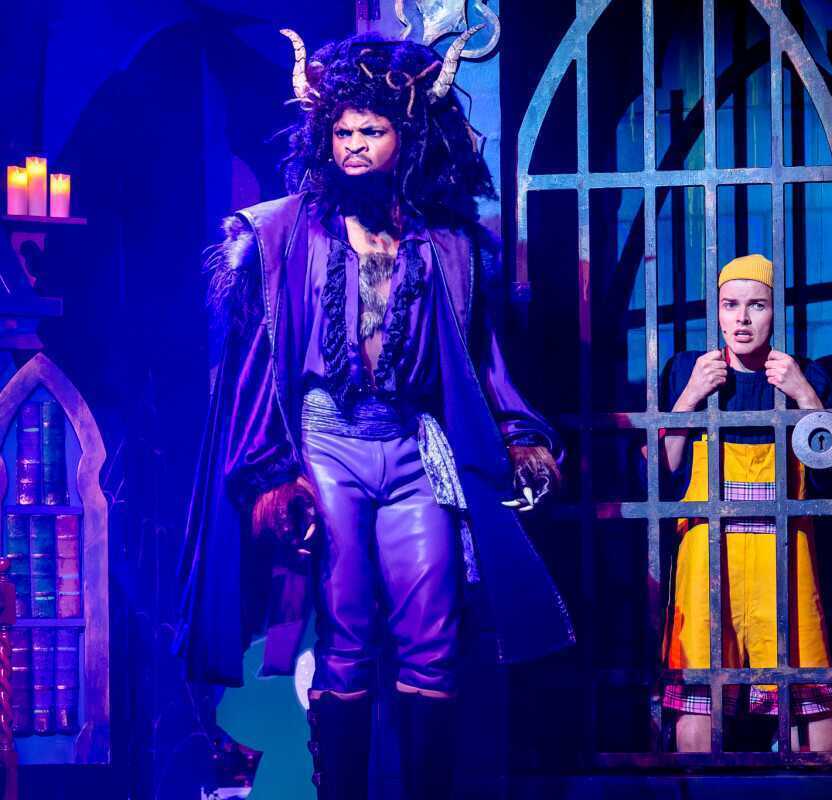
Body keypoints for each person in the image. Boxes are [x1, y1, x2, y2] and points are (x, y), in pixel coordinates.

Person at [174, 29, 573, 798]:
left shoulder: (451, 245)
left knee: (435, 633)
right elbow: (255, 368)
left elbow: (481, 362)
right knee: (347, 629)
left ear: (407, 136)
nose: (355, 144)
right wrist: (271, 475)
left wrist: (519, 438)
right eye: (344, 131)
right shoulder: (285, 233)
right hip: (327, 443)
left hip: (413, 445)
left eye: (373, 130)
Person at [659, 254, 832, 753]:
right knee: (699, 701)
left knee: (812, 706)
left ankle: (815, 789)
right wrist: (691, 396)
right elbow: (659, 473)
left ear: (775, 311)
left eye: (756, 305)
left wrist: (804, 395)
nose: (741, 318)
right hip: (706, 553)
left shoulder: (806, 376)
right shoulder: (687, 370)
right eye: (730, 305)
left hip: (784, 557)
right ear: (716, 312)